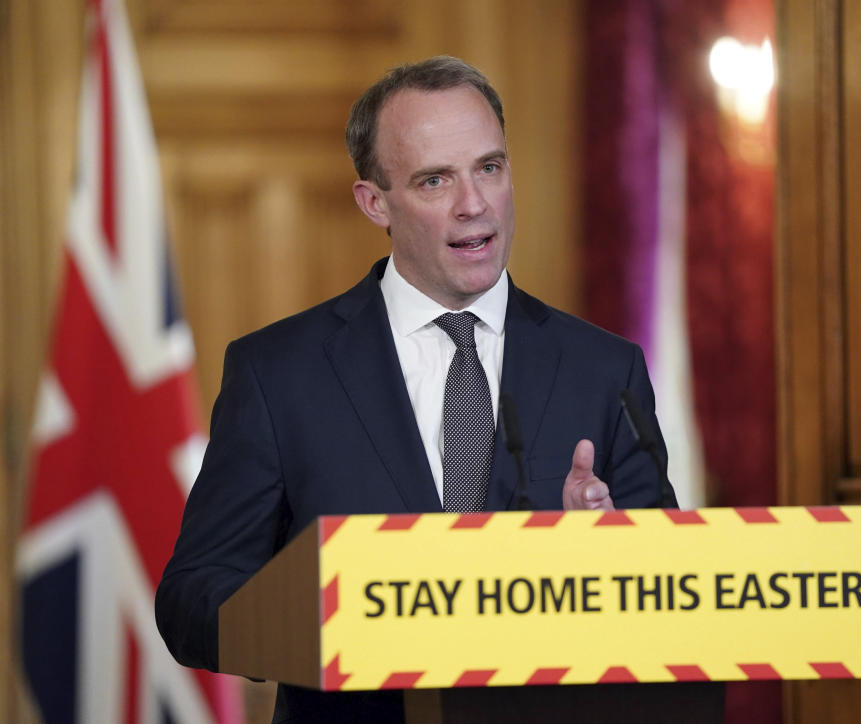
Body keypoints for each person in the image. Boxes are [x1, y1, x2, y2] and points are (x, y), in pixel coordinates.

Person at [156, 56, 677, 724]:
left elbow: (670, 597)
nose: (475, 203)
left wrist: (604, 557)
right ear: (375, 202)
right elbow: (192, 599)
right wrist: (328, 614)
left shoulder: (605, 370)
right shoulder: (279, 375)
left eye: (490, 167)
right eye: (436, 180)